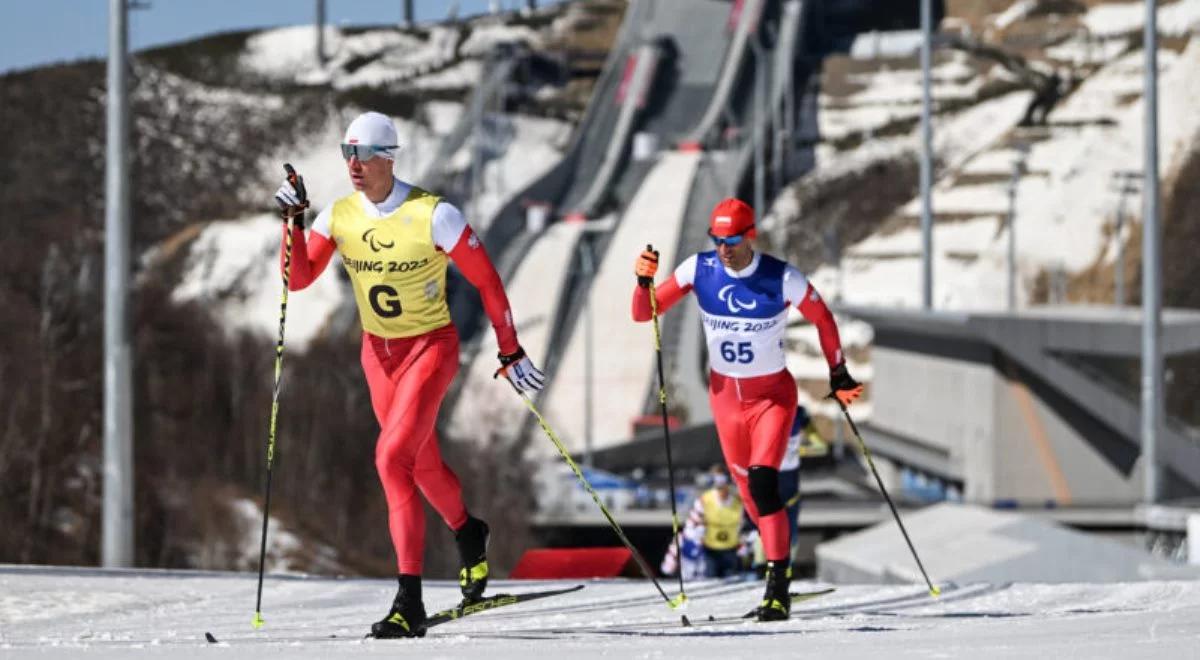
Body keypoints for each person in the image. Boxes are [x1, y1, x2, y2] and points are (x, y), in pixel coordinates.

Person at [273, 111, 546, 639]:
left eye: (365, 154)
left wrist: (510, 350)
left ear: (389, 157)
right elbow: (299, 279)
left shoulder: (433, 214)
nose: (354, 165)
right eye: (347, 154)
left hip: (431, 348)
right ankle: (470, 534)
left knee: (390, 457)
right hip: (378, 355)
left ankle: (409, 599)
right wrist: (294, 221)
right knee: (419, 467)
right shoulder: (340, 215)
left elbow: (489, 283)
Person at [631, 197, 862, 621]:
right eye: (717, 240)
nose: (724, 249)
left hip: (772, 398)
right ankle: (777, 562)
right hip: (725, 402)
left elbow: (824, 319)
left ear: (750, 234)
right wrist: (643, 282)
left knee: (762, 485)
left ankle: (777, 588)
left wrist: (839, 373)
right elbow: (643, 314)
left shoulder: (780, 277)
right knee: (750, 501)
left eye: (732, 240)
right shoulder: (698, 269)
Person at [660, 469, 744, 579]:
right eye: (718, 488)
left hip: (731, 547)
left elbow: (744, 523)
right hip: (710, 548)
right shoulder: (705, 500)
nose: (721, 492)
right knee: (710, 576)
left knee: (731, 578)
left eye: (723, 487)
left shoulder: (738, 502)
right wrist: (698, 533)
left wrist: (743, 543)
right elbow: (693, 523)